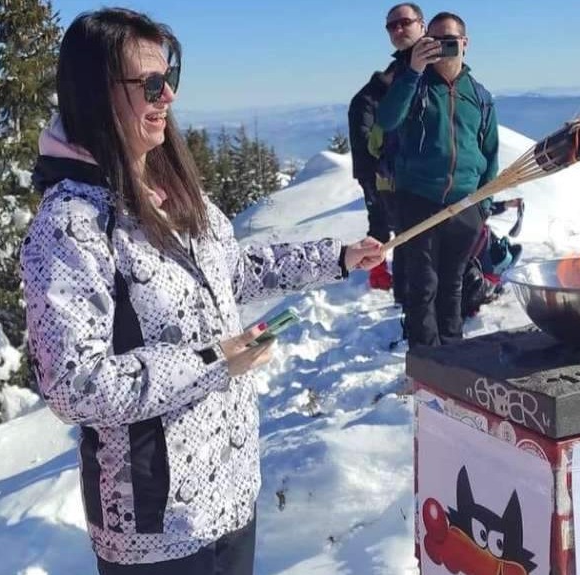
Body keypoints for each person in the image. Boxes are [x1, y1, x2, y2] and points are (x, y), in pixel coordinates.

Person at [21, 8, 384, 575]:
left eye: (170, 79)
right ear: (96, 93)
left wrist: (336, 258)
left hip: (229, 489)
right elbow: (73, 385)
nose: (167, 97)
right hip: (154, 523)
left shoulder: (171, 188)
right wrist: (213, 360)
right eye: (150, 84)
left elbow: (232, 274)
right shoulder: (72, 222)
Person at [375, 11, 499, 348]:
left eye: (451, 41)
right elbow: (386, 120)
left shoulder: (480, 96)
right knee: (423, 285)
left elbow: (490, 153)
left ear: (465, 44)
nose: (444, 47)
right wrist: (414, 70)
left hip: (465, 206)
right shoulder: (413, 83)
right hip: (419, 201)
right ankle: (427, 367)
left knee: (453, 285)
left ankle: (453, 358)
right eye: (436, 40)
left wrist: (483, 205)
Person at [348, 3, 425, 297]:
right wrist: (371, 177)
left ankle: (386, 279)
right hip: (384, 177)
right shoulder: (369, 99)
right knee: (393, 230)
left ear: (421, 24)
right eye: (391, 26)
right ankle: (388, 281)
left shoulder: (433, 74)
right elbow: (368, 143)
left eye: (404, 22)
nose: (398, 29)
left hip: (393, 177)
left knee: (393, 230)